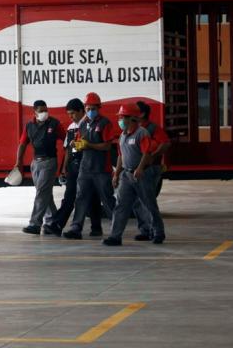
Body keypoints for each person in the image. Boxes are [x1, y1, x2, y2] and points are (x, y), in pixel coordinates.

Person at [104, 103, 165, 246]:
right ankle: (115, 236)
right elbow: (120, 156)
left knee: (149, 204)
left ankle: (158, 232)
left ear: (132, 118)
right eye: (120, 117)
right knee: (121, 206)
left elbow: (146, 153)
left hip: (141, 175)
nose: (120, 120)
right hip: (126, 174)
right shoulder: (122, 136)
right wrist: (116, 174)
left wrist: (140, 168)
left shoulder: (141, 133)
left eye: (122, 117)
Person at [63, 92, 118, 240]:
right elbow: (78, 142)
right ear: (85, 108)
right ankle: (76, 228)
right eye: (88, 108)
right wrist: (77, 145)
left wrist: (90, 145)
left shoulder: (105, 123)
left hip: (101, 169)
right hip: (85, 168)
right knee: (81, 198)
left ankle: (116, 228)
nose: (90, 111)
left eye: (93, 108)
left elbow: (107, 146)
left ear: (99, 108)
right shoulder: (82, 124)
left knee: (107, 199)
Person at [44, 98, 103, 237]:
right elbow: (68, 150)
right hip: (74, 166)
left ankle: (95, 227)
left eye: (73, 113)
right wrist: (64, 168)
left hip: (88, 164)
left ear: (82, 111)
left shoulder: (89, 125)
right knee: (70, 195)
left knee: (92, 196)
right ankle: (58, 224)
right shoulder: (71, 128)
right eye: (69, 114)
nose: (71, 117)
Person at [14, 100, 64, 235]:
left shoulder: (54, 124)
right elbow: (23, 144)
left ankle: (35, 224)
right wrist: (18, 162)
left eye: (46, 110)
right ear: (34, 112)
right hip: (35, 163)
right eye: (41, 111)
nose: (44, 113)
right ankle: (53, 223)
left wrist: (66, 163)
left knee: (41, 192)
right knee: (46, 194)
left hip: (49, 162)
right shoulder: (30, 126)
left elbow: (66, 139)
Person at [132, 100, 171, 242]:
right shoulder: (134, 128)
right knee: (137, 202)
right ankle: (146, 230)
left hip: (150, 169)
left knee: (148, 201)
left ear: (141, 113)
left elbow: (165, 143)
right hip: (137, 170)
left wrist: (152, 155)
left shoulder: (153, 128)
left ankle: (157, 232)